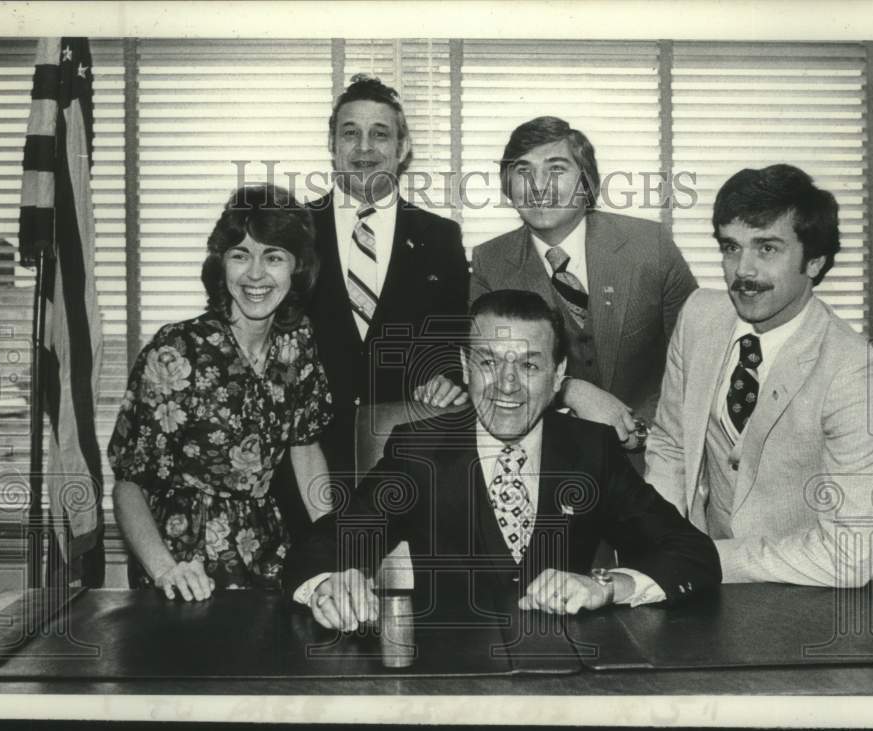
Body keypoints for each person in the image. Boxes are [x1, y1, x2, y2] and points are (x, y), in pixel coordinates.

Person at [283, 290, 720, 631]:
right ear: (464, 366)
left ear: (558, 377)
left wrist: (606, 587)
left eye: (529, 366)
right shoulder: (419, 451)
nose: (506, 386)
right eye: (489, 362)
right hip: (450, 680)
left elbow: (692, 553)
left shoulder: (592, 450)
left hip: (565, 676)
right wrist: (327, 584)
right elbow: (321, 544)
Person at [644, 164, 873, 587]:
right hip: (699, 592)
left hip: (801, 597)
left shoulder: (852, 368)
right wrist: (659, 546)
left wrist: (704, 558)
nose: (743, 271)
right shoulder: (699, 315)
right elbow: (670, 443)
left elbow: (851, 556)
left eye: (767, 249)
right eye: (731, 248)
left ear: (814, 262)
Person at [109, 184, 333, 601]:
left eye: (274, 257)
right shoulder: (175, 350)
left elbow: (304, 449)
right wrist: (165, 571)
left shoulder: (297, 342)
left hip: (270, 555)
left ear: (296, 267)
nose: (255, 275)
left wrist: (337, 549)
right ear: (221, 263)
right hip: (182, 565)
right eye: (240, 255)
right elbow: (128, 485)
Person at [470, 116, 697, 450]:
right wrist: (569, 388)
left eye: (557, 169)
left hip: (653, 453)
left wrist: (639, 428)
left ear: (587, 181)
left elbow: (697, 357)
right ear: (507, 187)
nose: (538, 186)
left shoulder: (651, 245)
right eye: (523, 171)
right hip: (547, 457)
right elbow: (489, 374)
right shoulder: (490, 261)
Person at [302, 73, 469, 488]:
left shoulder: (440, 237)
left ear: (402, 147)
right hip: (305, 456)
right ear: (331, 145)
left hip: (408, 460)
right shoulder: (294, 231)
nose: (363, 148)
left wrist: (447, 381)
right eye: (350, 133)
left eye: (379, 134)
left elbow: (452, 344)